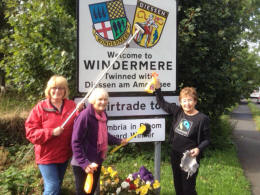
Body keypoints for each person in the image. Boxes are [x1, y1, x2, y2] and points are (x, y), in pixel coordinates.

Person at [25, 75, 84, 195]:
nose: (57, 91)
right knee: (53, 188)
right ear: (49, 89)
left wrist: (79, 112)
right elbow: (30, 133)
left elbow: (79, 126)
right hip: (46, 156)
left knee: (56, 185)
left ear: (65, 90)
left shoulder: (71, 106)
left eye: (61, 88)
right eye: (54, 88)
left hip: (63, 155)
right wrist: (51, 132)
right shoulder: (40, 108)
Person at [154, 79, 210, 195]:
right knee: (178, 186)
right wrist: (157, 88)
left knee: (188, 189)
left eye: (190, 100)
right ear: (180, 102)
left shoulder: (202, 119)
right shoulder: (179, 112)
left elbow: (207, 140)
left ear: (195, 101)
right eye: (184, 100)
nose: (187, 103)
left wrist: (198, 149)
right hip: (175, 153)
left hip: (190, 157)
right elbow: (162, 103)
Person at [71, 88, 127, 195]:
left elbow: (104, 135)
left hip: (96, 161)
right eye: (100, 99)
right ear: (93, 100)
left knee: (90, 192)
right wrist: (84, 163)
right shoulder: (85, 116)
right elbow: (75, 141)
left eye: (105, 99)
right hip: (82, 162)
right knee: (83, 193)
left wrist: (118, 141)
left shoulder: (103, 115)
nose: (103, 102)